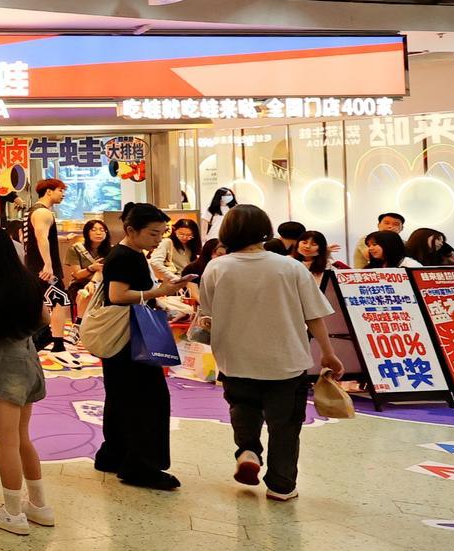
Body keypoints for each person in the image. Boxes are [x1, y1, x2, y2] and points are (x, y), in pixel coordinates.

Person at [200, 205, 344, 502]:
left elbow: (209, 312)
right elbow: (314, 315)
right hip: (285, 360)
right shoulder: (291, 267)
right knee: (286, 425)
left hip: (235, 359)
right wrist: (328, 353)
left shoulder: (216, 267)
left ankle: (248, 451)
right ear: (266, 230)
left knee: (243, 409)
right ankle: (281, 485)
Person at [0, 224, 56, 535]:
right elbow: (45, 318)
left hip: (5, 365)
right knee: (22, 437)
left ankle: (13, 513)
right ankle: (39, 506)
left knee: (7, 442)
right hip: (30, 359)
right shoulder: (27, 280)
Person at [95, 203, 191, 490]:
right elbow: (118, 295)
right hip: (130, 337)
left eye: (161, 233)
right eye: (152, 233)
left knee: (122, 398)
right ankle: (142, 466)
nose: (158, 239)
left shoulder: (129, 254)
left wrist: (158, 297)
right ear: (131, 230)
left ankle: (115, 454)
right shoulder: (126, 257)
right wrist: (159, 291)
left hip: (125, 337)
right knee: (149, 401)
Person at [24, 178, 69, 348]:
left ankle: (44, 338)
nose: (63, 194)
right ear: (49, 191)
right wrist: (48, 264)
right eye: (60, 190)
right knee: (59, 300)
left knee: (43, 301)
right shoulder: (43, 212)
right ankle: (57, 342)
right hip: (43, 267)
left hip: (33, 265)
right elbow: (41, 237)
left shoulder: (32, 211)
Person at [66, 218, 112, 313]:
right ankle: (81, 320)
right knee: (85, 295)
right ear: (87, 233)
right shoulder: (76, 249)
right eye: (94, 230)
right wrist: (91, 268)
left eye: (102, 230)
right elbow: (77, 275)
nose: (98, 233)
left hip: (105, 284)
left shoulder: (112, 250)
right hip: (81, 284)